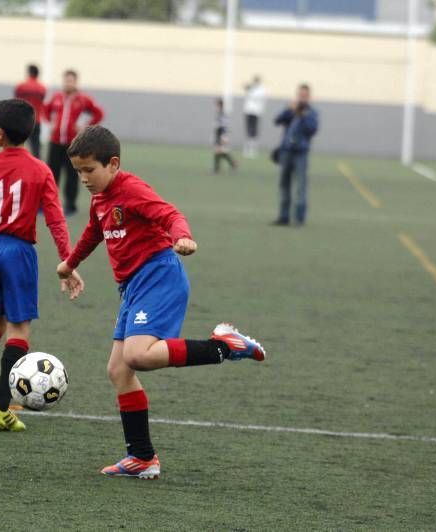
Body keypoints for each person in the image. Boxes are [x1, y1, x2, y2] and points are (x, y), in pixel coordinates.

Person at [57, 125, 266, 479]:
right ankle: (142, 456)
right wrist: (70, 264)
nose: (84, 178)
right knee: (119, 370)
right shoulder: (100, 198)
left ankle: (224, 347)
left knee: (137, 355)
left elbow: (169, 215)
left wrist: (182, 236)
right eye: (78, 171)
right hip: (133, 287)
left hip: (159, 276)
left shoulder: (131, 189)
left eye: (89, 170)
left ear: (113, 164)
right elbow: (95, 231)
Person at [0, 98, 83, 431]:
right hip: (16, 252)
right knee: (19, 329)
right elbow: (55, 220)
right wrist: (67, 261)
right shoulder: (40, 170)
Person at [44, 69, 104, 216]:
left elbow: (99, 113)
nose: (68, 83)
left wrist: (85, 126)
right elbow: (45, 110)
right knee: (51, 174)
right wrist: (51, 123)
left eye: (71, 81)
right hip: (56, 142)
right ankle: (48, 204)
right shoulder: (57, 97)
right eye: (66, 80)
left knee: (72, 174)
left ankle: (70, 205)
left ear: (76, 82)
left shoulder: (83, 99)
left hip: (74, 144)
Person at [272, 83, 319, 226]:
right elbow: (277, 120)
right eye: (300, 95)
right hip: (286, 151)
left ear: (309, 97)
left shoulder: (312, 113)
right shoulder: (291, 110)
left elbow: (312, 129)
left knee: (300, 186)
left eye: (304, 96)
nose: (302, 98)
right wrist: (289, 110)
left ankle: (299, 218)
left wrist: (302, 115)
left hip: (300, 154)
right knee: (284, 184)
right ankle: (283, 216)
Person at [14, 64, 46, 158]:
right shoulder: (42, 88)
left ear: (29, 72)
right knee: (36, 148)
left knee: (17, 147)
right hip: (36, 120)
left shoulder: (21, 86)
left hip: (22, 121)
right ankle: (37, 170)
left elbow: (16, 102)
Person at [242, 75, 266, 158]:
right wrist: (248, 88)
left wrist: (250, 89)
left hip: (256, 112)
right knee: (248, 130)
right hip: (248, 111)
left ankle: (253, 149)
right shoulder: (251, 88)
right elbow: (246, 93)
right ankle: (247, 148)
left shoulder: (261, 89)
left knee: (254, 131)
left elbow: (257, 97)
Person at [213, 98, 237, 174]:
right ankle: (233, 164)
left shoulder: (222, 114)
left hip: (221, 134)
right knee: (220, 151)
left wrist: (224, 136)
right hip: (219, 133)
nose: (215, 107)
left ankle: (216, 169)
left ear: (220, 105)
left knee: (218, 151)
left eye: (216, 105)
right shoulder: (219, 113)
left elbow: (224, 126)